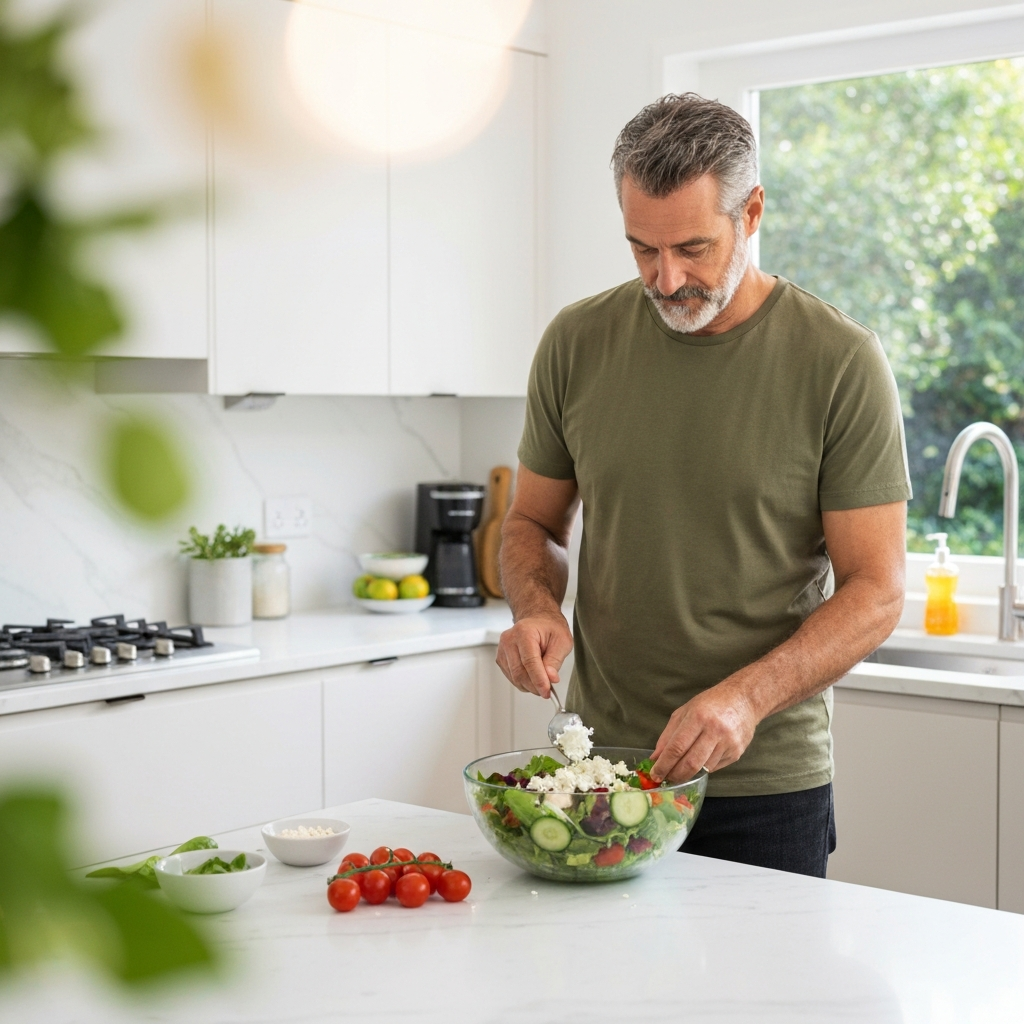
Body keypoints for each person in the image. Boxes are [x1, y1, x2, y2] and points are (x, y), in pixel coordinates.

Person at [495, 92, 911, 878]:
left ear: (750, 212)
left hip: (763, 785)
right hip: (603, 769)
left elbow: (878, 590)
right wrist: (536, 607)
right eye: (642, 250)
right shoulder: (575, 343)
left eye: (692, 247)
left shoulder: (839, 361)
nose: (667, 278)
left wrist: (746, 698)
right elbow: (531, 526)